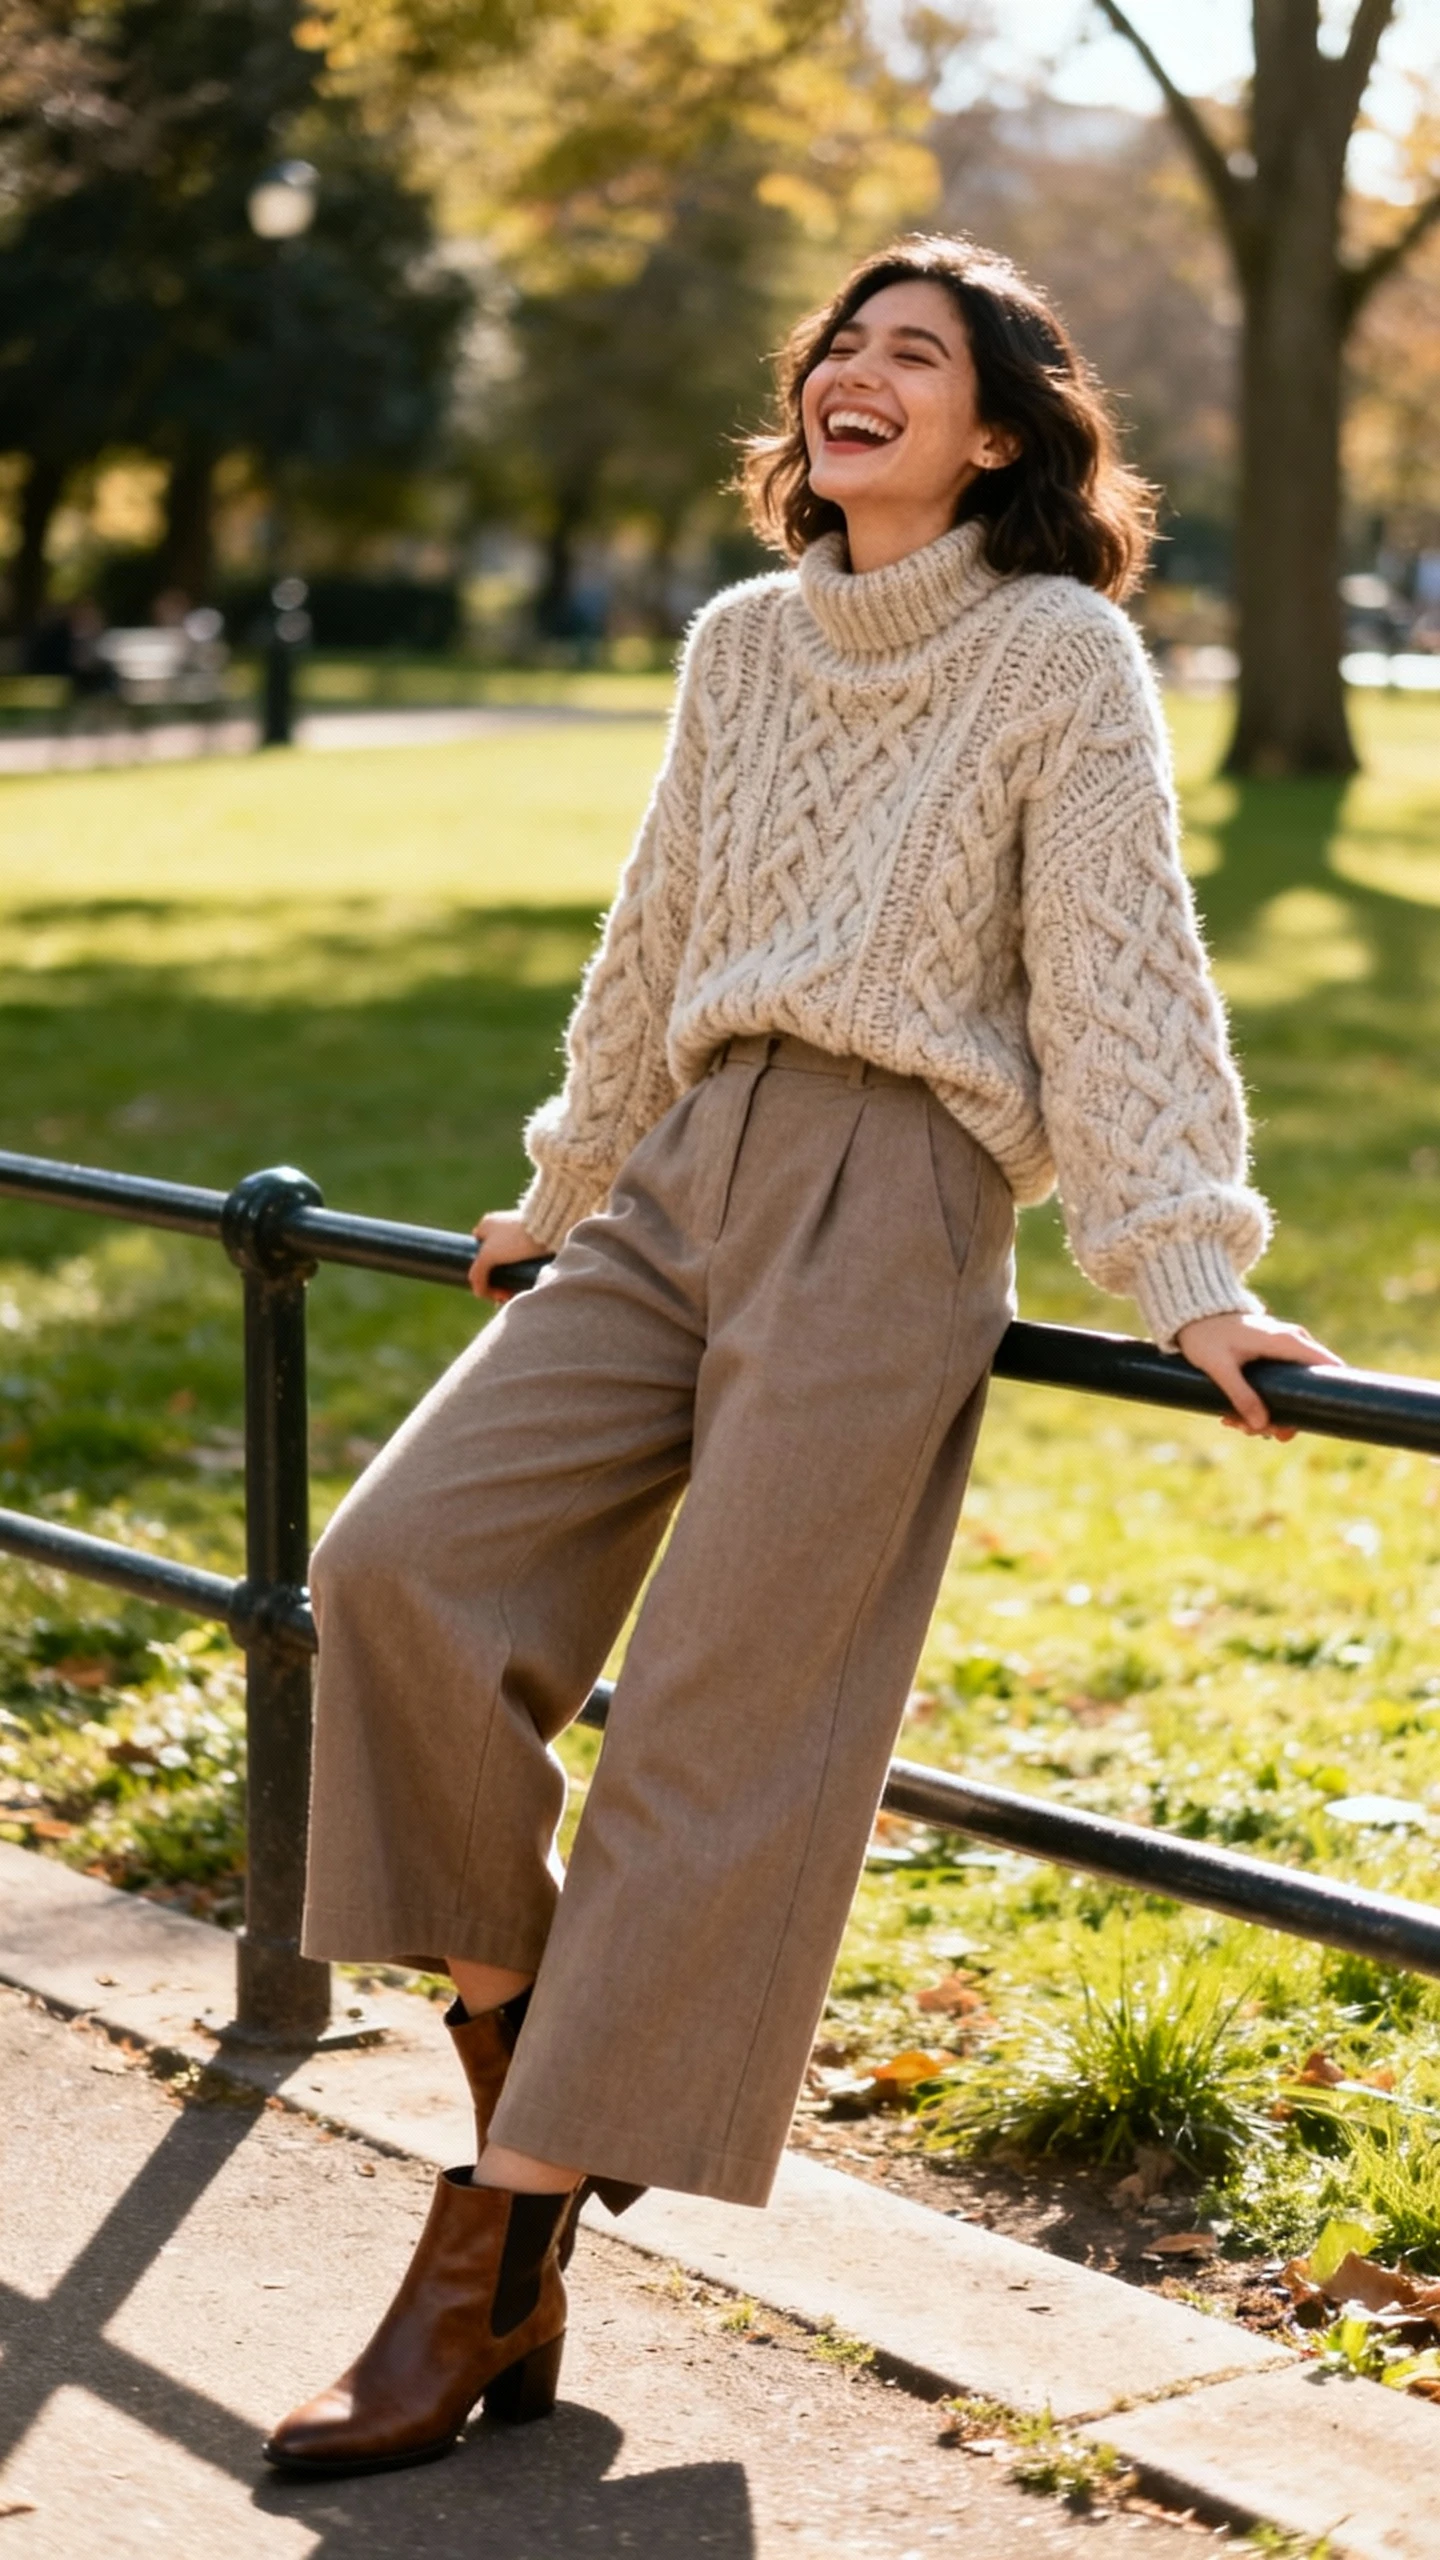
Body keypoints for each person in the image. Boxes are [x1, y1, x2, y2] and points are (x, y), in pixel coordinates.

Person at [264, 234, 1336, 2477]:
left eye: (913, 357)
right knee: (392, 1569)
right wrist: (567, 1186)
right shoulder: (743, 643)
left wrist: (1183, 1261)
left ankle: (489, 2248)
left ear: (1003, 431)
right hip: (685, 1177)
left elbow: (1121, 964)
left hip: (895, 1203)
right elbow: (656, 929)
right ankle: (529, 2030)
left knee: (719, 1730)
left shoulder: (1061, 653)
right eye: (840, 345)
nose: (855, 374)